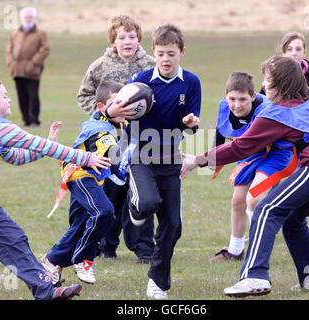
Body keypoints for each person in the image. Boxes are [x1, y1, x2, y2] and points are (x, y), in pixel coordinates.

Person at [181, 56, 309, 297]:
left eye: (269, 82)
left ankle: (255, 276)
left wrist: (196, 160)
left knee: (265, 210)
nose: (264, 87)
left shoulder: (274, 115)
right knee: (293, 220)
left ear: (283, 85)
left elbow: (239, 148)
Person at [0, 75, 110, 300]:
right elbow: (39, 145)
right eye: (5, 96)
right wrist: (85, 158)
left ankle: (47, 291)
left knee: (13, 238)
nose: (10, 100)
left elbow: (17, 157)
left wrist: (49, 143)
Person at [126, 24, 201, 299]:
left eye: (171, 53)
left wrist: (190, 123)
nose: (166, 59)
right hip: (140, 156)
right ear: (154, 53)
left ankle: (157, 281)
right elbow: (123, 117)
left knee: (172, 225)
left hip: (170, 158)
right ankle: (136, 207)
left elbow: (193, 123)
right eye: (160, 54)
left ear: (181, 52)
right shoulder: (140, 80)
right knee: (147, 204)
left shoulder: (191, 82)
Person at [77, 14, 156, 262]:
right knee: (111, 192)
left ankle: (144, 247)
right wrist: (106, 113)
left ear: (139, 39)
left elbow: (159, 99)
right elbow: (84, 96)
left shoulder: (150, 65)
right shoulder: (99, 66)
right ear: (113, 41)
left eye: (132, 36)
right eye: (122, 37)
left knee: (140, 194)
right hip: (109, 144)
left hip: (142, 142)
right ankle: (106, 245)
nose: (127, 41)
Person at [41, 81, 132, 285]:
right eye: (115, 102)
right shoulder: (97, 126)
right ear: (101, 107)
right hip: (79, 176)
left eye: (124, 102)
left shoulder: (121, 122)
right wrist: (123, 165)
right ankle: (83, 258)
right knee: (104, 212)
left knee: (80, 226)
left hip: (91, 179)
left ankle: (51, 262)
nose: (122, 106)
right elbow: (110, 149)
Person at [208, 71, 294, 263]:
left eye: (243, 99)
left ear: (253, 96)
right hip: (249, 152)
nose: (236, 105)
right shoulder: (225, 106)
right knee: (238, 201)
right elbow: (221, 131)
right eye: (232, 98)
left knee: (254, 199)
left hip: (275, 153)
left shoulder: (266, 109)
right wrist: (214, 158)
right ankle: (235, 251)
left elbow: (261, 141)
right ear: (225, 95)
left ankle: (258, 252)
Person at [5, 6, 50, 127]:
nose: (28, 18)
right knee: (21, 96)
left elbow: (45, 49)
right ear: (22, 18)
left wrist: (34, 63)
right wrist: (11, 63)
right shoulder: (16, 33)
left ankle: (34, 120)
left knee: (33, 96)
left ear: (34, 18)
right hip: (17, 70)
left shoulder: (41, 33)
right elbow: (9, 50)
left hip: (33, 70)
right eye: (26, 16)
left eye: (30, 16)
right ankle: (26, 119)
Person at [260, 31, 309, 98]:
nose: (294, 53)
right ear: (283, 52)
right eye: (289, 49)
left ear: (304, 53)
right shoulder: (274, 73)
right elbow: (263, 99)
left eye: (298, 49)